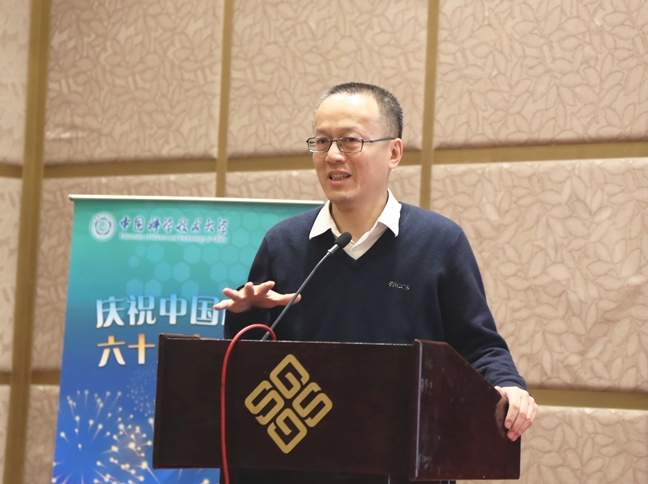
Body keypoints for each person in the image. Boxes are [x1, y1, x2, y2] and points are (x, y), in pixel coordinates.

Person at [214, 82, 537, 483]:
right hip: (297, 463)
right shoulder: (283, 243)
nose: (333, 155)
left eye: (350, 141)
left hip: (404, 463)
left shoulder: (439, 242)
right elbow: (252, 375)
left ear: (394, 152)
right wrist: (245, 320)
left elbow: (478, 345)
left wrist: (507, 386)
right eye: (322, 141)